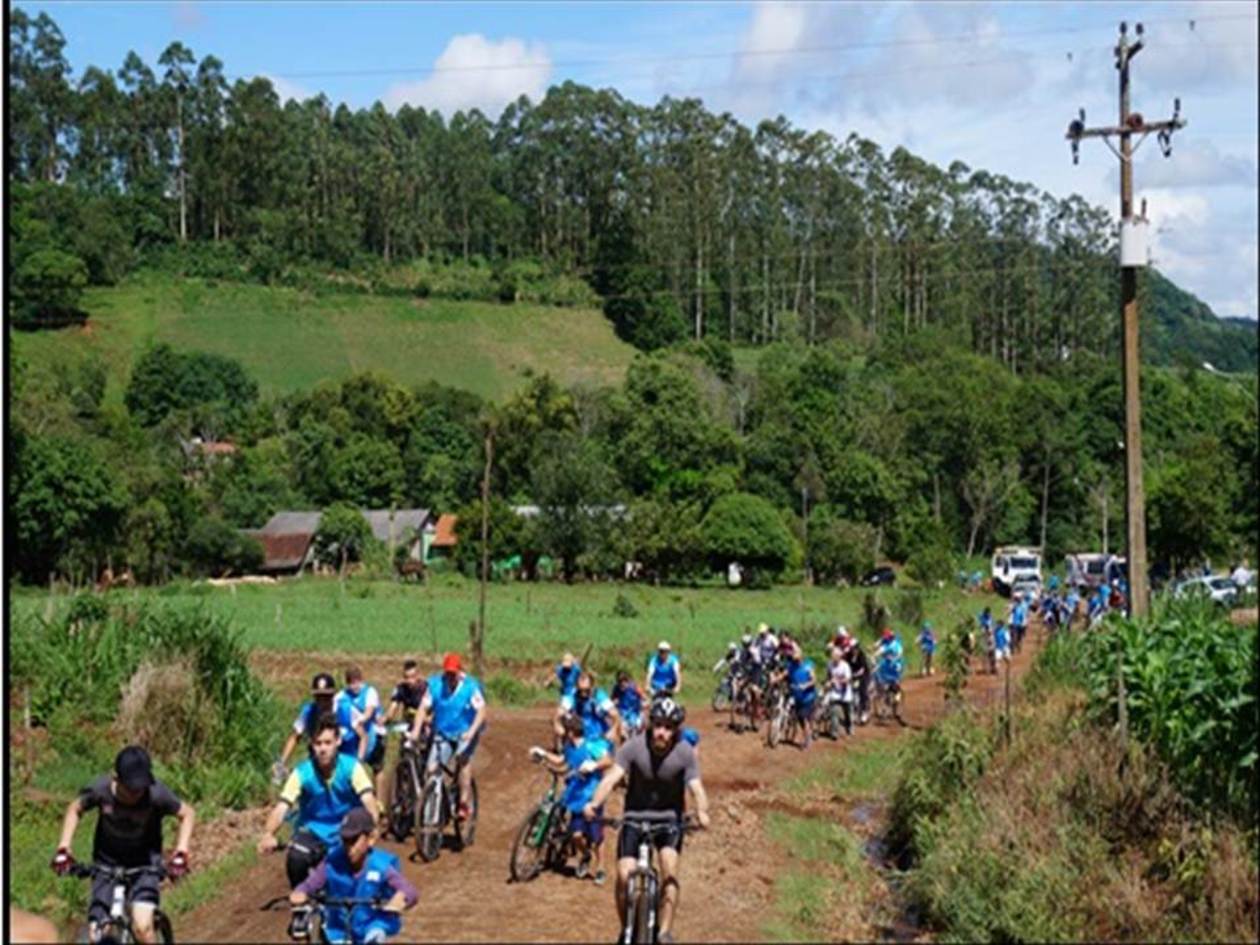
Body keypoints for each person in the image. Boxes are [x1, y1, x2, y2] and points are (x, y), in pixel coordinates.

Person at [584, 698, 711, 945]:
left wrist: (702, 811)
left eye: (668, 727)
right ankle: (626, 929)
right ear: (650, 724)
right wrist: (594, 803)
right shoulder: (633, 747)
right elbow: (611, 778)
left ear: (675, 730)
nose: (662, 732)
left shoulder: (684, 752)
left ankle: (664, 931)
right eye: (658, 725)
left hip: (669, 821)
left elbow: (697, 788)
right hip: (634, 817)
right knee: (623, 875)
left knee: (669, 869)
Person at [52, 746, 196, 945]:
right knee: (96, 936)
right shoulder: (100, 790)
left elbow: (187, 813)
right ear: (116, 779)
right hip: (106, 862)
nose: (137, 793)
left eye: (141, 787)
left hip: (145, 862)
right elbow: (75, 808)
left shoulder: (156, 793)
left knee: (143, 927)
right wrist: (64, 848)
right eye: (131, 788)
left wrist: (181, 852)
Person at [258, 715, 379, 887]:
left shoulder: (352, 768)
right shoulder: (302, 773)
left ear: (338, 742)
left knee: (355, 882)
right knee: (296, 858)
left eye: (328, 743)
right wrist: (269, 834)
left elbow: (368, 800)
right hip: (313, 832)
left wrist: (371, 828)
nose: (323, 749)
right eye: (318, 743)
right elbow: (282, 807)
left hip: (347, 832)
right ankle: (301, 907)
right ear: (312, 745)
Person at [290, 808, 418, 944]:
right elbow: (310, 884)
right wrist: (300, 892)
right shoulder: (332, 862)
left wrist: (400, 899)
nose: (349, 848)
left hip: (373, 925)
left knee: (375, 937)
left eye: (354, 840)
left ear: (371, 839)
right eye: (345, 840)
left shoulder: (381, 865)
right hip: (338, 928)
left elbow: (409, 890)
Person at [529, 713, 614, 885]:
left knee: (596, 835)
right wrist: (544, 754)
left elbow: (608, 760)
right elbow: (562, 762)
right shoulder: (569, 747)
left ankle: (601, 868)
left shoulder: (591, 746)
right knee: (576, 835)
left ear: (571, 731)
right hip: (575, 796)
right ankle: (585, 855)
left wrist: (594, 766)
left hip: (592, 796)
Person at [410, 653, 486, 823]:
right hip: (443, 732)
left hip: (466, 731)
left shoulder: (470, 687)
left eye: (453, 674)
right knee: (432, 769)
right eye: (448, 674)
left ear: (460, 672)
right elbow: (423, 708)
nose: (450, 678)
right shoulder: (436, 685)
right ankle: (432, 814)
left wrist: (472, 731)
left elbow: (481, 711)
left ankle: (464, 802)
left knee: (462, 758)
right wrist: (416, 730)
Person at [276, 672, 339, 785]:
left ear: (333, 696)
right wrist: (282, 762)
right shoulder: (309, 711)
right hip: (318, 753)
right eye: (318, 697)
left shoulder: (343, 710)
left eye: (326, 697)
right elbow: (295, 736)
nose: (322, 702)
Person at [380, 660, 428, 803]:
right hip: (407, 727)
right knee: (404, 757)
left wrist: (427, 721)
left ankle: (424, 787)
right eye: (406, 677)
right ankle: (403, 790)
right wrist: (384, 720)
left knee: (424, 759)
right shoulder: (401, 689)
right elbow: (393, 708)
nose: (409, 681)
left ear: (418, 675)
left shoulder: (426, 689)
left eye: (412, 677)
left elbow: (432, 711)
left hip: (424, 726)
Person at [336, 666, 385, 778]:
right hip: (353, 734)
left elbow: (368, 712)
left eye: (356, 682)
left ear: (361, 680)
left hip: (374, 731)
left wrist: (358, 719)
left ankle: (380, 794)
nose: (354, 686)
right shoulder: (341, 696)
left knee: (377, 767)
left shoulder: (370, 692)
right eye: (351, 683)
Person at [554, 671, 619, 745]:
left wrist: (613, 729)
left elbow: (615, 714)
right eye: (580, 690)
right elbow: (559, 712)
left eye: (586, 690)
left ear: (592, 686)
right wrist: (557, 724)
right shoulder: (572, 695)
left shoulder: (599, 695)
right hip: (579, 734)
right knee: (565, 719)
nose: (583, 694)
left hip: (597, 735)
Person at [773, 644, 817, 749]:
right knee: (800, 719)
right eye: (793, 656)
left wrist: (805, 685)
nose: (794, 658)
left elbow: (814, 680)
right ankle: (807, 733)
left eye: (796, 656)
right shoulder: (791, 666)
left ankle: (807, 740)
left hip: (808, 697)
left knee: (803, 717)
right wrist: (775, 679)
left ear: (801, 656)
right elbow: (784, 674)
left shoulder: (808, 665)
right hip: (797, 696)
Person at [840, 634, 872, 725]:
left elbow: (862, 669)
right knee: (850, 692)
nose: (853, 650)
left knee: (863, 691)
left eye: (854, 648)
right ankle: (851, 712)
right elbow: (845, 665)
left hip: (863, 675)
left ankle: (864, 712)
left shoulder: (861, 655)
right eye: (852, 648)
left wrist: (855, 675)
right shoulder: (849, 655)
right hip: (853, 675)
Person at [823, 645, 854, 736]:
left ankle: (849, 726)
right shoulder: (830, 664)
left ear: (839, 657)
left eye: (835, 656)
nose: (833, 658)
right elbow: (828, 676)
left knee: (847, 712)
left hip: (845, 693)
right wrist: (827, 682)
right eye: (832, 656)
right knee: (834, 712)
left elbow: (848, 679)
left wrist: (837, 681)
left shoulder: (845, 666)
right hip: (835, 692)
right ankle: (834, 731)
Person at [610, 671, 645, 740]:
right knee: (622, 731)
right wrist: (614, 703)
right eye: (620, 682)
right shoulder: (616, 688)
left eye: (624, 681)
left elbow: (644, 698)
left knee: (636, 728)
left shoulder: (634, 687)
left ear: (628, 681)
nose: (622, 684)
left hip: (635, 713)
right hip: (623, 713)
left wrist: (642, 704)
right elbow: (611, 701)